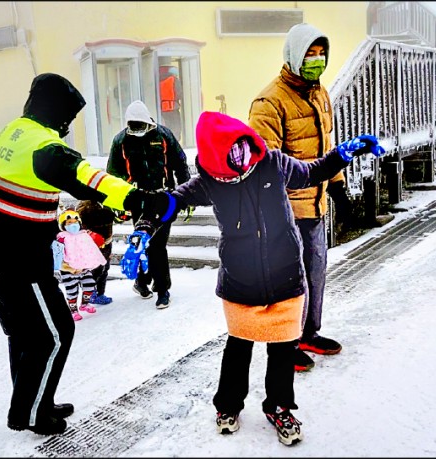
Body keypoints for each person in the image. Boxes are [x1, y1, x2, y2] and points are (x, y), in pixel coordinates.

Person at [0, 73, 175, 436]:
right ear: (56, 111)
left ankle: (35, 400)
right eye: (68, 117)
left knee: (25, 334)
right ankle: (30, 413)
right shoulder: (44, 146)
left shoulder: (14, 131)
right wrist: (138, 198)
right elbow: (86, 177)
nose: (68, 125)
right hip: (13, 254)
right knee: (54, 332)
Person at [159, 111, 383, 445]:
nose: (237, 174)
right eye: (226, 172)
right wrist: (160, 207)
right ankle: (228, 405)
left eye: (240, 161)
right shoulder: (209, 179)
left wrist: (343, 153)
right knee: (238, 347)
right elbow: (177, 198)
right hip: (239, 280)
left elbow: (311, 173)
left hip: (285, 274)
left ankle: (278, 406)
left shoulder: (273, 162)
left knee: (282, 349)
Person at [248, 23, 353, 372]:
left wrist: (337, 185)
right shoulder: (269, 102)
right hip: (285, 208)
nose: (317, 61)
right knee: (289, 281)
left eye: (322, 54)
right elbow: (267, 165)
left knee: (316, 273)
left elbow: (326, 148)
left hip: (315, 203)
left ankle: (309, 332)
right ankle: (285, 342)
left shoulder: (320, 94)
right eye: (310, 54)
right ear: (294, 55)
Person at [106, 99, 191, 309]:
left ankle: (163, 289)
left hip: (164, 196)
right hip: (138, 199)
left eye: (140, 125)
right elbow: (113, 174)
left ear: (147, 122)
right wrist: (116, 203)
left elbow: (180, 162)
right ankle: (142, 280)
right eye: (132, 126)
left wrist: (186, 192)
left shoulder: (163, 135)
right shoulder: (121, 141)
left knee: (158, 244)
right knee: (143, 241)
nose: (137, 130)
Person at [53, 208, 107, 321]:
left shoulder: (84, 235)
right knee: (72, 291)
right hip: (69, 270)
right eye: (69, 223)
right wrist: (69, 268)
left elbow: (90, 250)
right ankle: (73, 310)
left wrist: (90, 263)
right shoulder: (61, 238)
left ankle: (84, 304)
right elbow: (58, 256)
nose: (73, 225)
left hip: (84, 268)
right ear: (63, 225)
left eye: (75, 222)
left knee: (90, 284)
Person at [74, 199, 116, 305]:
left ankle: (100, 293)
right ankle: (90, 293)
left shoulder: (107, 206)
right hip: (91, 244)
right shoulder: (84, 208)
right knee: (95, 270)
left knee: (104, 269)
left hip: (105, 243)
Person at [159, 65, 184, 143]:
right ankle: (175, 144)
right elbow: (179, 94)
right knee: (176, 128)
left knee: (166, 128)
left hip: (162, 110)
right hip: (173, 108)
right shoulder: (174, 80)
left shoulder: (158, 80)